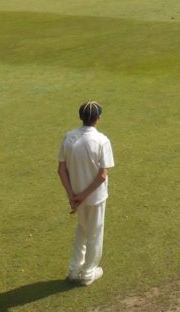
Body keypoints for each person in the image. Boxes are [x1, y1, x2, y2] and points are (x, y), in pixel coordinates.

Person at [58, 100, 115, 287]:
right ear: (98, 118)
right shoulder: (102, 140)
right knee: (95, 233)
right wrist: (82, 196)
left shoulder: (69, 137)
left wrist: (72, 196)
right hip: (95, 198)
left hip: (77, 197)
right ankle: (88, 272)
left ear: (81, 117)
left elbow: (61, 169)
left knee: (82, 230)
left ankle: (75, 269)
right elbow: (102, 175)